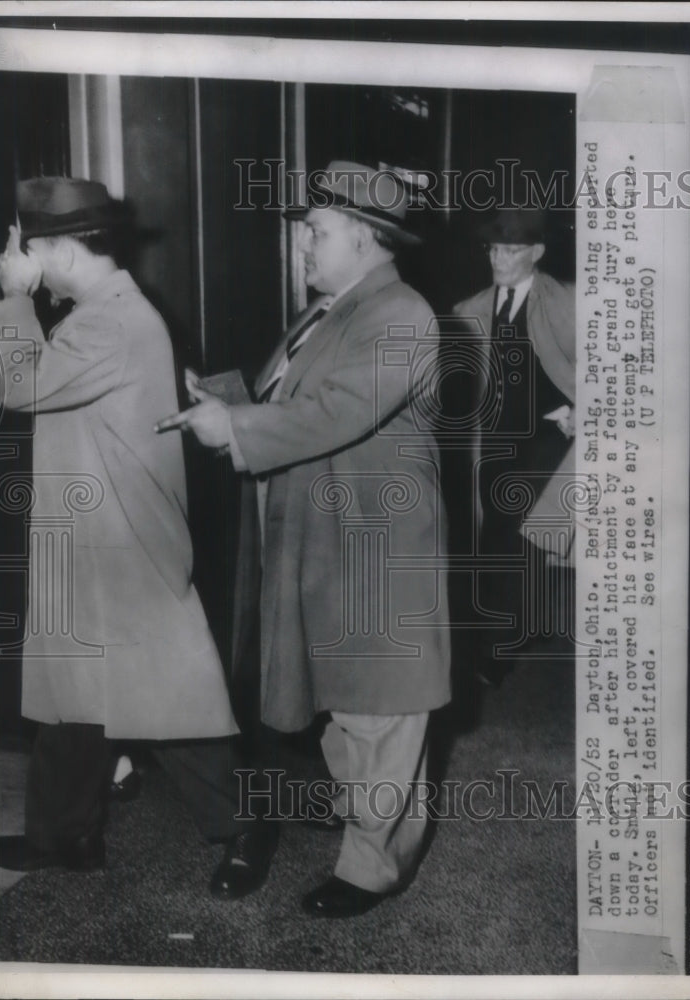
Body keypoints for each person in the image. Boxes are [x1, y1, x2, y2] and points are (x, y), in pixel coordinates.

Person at [157, 161, 451, 918]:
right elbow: (295, 400)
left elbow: (340, 411)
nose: (304, 246)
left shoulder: (403, 313)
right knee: (344, 703)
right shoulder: (332, 309)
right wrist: (223, 403)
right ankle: (367, 837)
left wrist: (238, 427)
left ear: (365, 237)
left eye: (317, 233)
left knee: (382, 708)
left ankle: (373, 867)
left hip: (374, 542)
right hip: (326, 534)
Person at [0, 177, 256, 883]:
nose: (22, 263)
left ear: (58, 249)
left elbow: (22, 388)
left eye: (28, 250)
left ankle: (244, 833)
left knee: (176, 702)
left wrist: (11, 301)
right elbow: (8, 385)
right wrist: (8, 314)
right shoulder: (96, 310)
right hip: (92, 533)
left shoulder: (111, 320)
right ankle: (63, 839)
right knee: (73, 697)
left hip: (124, 540)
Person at [452, 208, 575, 685]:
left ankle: (494, 651)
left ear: (536, 253)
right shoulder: (470, 310)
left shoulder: (566, 303)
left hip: (549, 438)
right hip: (490, 438)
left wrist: (574, 410)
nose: (498, 258)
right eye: (493, 249)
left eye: (510, 249)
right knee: (493, 533)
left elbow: (608, 367)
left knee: (510, 529)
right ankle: (521, 622)